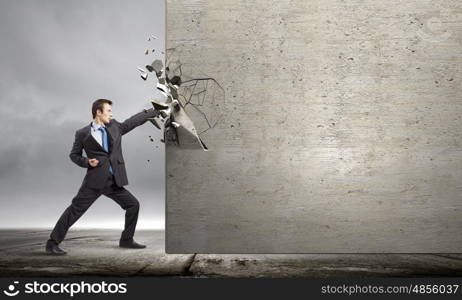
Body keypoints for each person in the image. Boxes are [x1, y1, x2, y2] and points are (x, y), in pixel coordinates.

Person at [45, 99, 160, 255]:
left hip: (113, 181)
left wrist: (154, 111)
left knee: (133, 205)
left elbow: (132, 122)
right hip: (94, 181)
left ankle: (126, 240)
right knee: (74, 210)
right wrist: (87, 162)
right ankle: (52, 244)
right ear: (98, 112)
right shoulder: (82, 133)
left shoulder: (115, 127)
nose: (111, 114)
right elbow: (73, 155)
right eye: (109, 111)